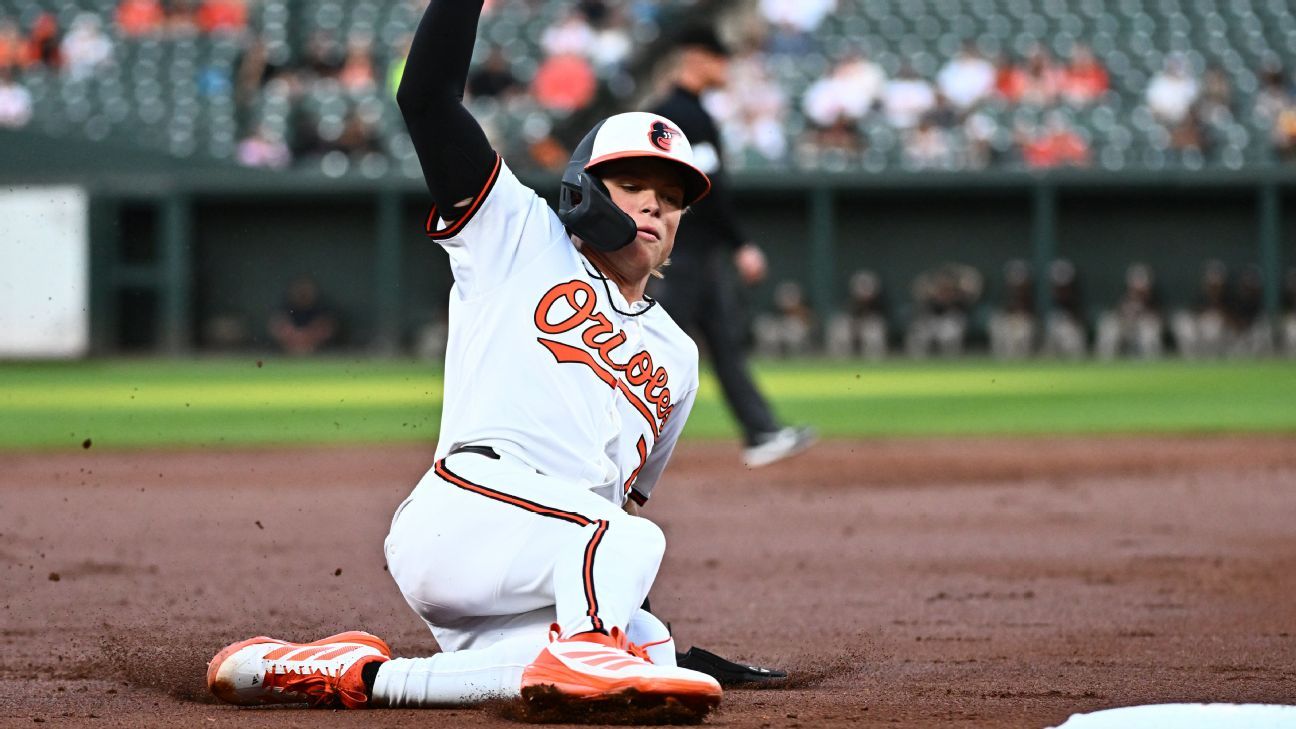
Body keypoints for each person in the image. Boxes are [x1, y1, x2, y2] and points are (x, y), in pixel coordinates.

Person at [206, 0, 730, 718]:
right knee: (626, 542)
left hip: (535, 553)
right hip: (465, 511)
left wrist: (655, 651)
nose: (654, 207)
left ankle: (353, 675)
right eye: (633, 185)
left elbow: (618, 501)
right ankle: (588, 647)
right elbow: (425, 99)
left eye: (671, 198)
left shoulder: (678, 357)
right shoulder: (518, 233)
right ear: (585, 188)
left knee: (647, 644)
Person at [645, 26, 814, 468]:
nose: (726, 69)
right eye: (720, 60)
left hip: (693, 251)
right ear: (697, 58)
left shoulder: (674, 112)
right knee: (656, 348)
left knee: (723, 343)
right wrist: (741, 243)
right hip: (682, 254)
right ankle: (607, 438)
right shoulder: (683, 115)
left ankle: (761, 431)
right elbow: (709, 189)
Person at [267, 276, 337, 353]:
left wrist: (307, 337)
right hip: (288, 346)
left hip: (319, 348)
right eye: (300, 291)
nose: (303, 294)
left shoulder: (322, 307)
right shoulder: (285, 307)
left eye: (306, 291)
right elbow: (277, 326)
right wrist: (295, 336)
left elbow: (327, 328)